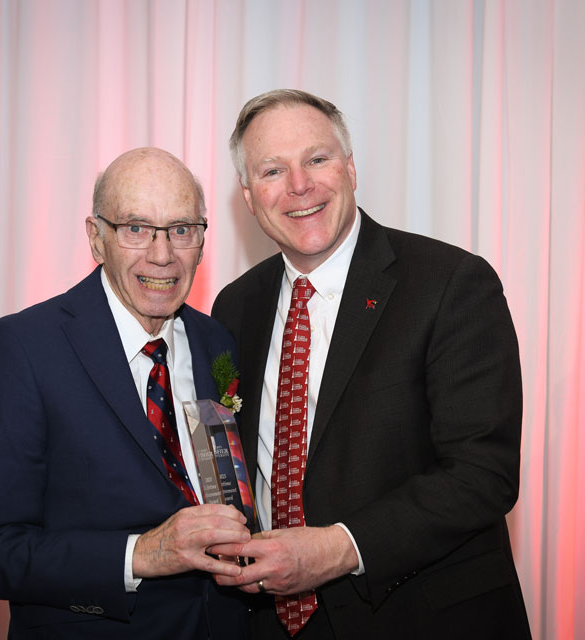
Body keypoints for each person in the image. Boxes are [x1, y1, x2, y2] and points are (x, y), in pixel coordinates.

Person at [209, 90, 531, 638]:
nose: (299, 185)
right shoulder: (235, 306)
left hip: (420, 618)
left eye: (317, 159)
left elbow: (483, 474)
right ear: (249, 196)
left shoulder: (450, 283)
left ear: (351, 168)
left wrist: (338, 548)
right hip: (271, 621)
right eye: (272, 170)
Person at [0, 147, 252, 639]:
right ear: (96, 238)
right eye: (136, 228)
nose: (162, 254)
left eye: (181, 229)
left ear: (201, 240)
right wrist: (141, 554)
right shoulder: (22, 348)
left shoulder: (216, 341)